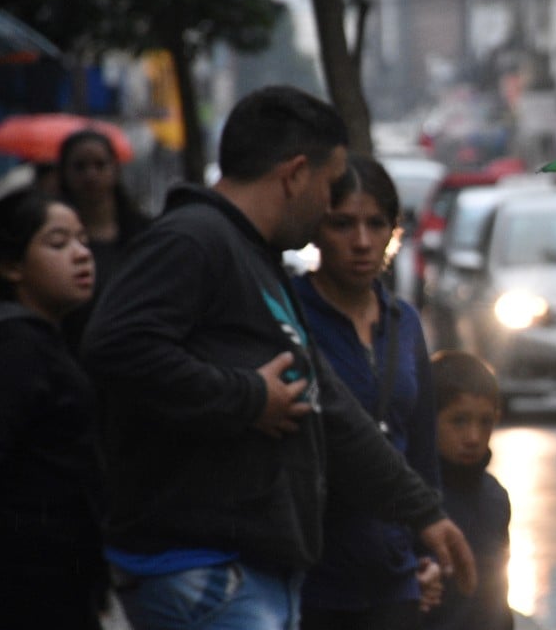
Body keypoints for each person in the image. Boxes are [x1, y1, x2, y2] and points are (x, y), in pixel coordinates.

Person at [79, 85, 476, 630]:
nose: (330, 207)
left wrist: (424, 512)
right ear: (294, 175)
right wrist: (247, 396)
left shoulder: (255, 257)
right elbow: (116, 347)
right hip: (205, 572)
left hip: (248, 574)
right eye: (331, 188)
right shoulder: (195, 238)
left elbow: (326, 402)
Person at [294, 152, 444, 629]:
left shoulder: (405, 324)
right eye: (343, 224)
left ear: (393, 231)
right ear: (317, 229)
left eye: (375, 224)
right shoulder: (291, 314)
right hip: (309, 573)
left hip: (393, 575)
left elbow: (421, 450)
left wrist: (427, 548)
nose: (361, 242)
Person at [0, 187, 105, 629]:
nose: (81, 255)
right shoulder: (16, 347)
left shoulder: (47, 338)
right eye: (58, 243)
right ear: (11, 266)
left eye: (83, 239)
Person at [424, 350, 513, 630]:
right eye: (459, 421)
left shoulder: (495, 497)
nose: (473, 437)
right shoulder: (417, 501)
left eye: (485, 422)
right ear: (428, 420)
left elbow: (498, 594)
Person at [55, 128, 150, 348]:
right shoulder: (50, 234)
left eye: (100, 165)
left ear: (115, 169)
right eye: (80, 167)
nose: (91, 175)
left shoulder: (145, 232)